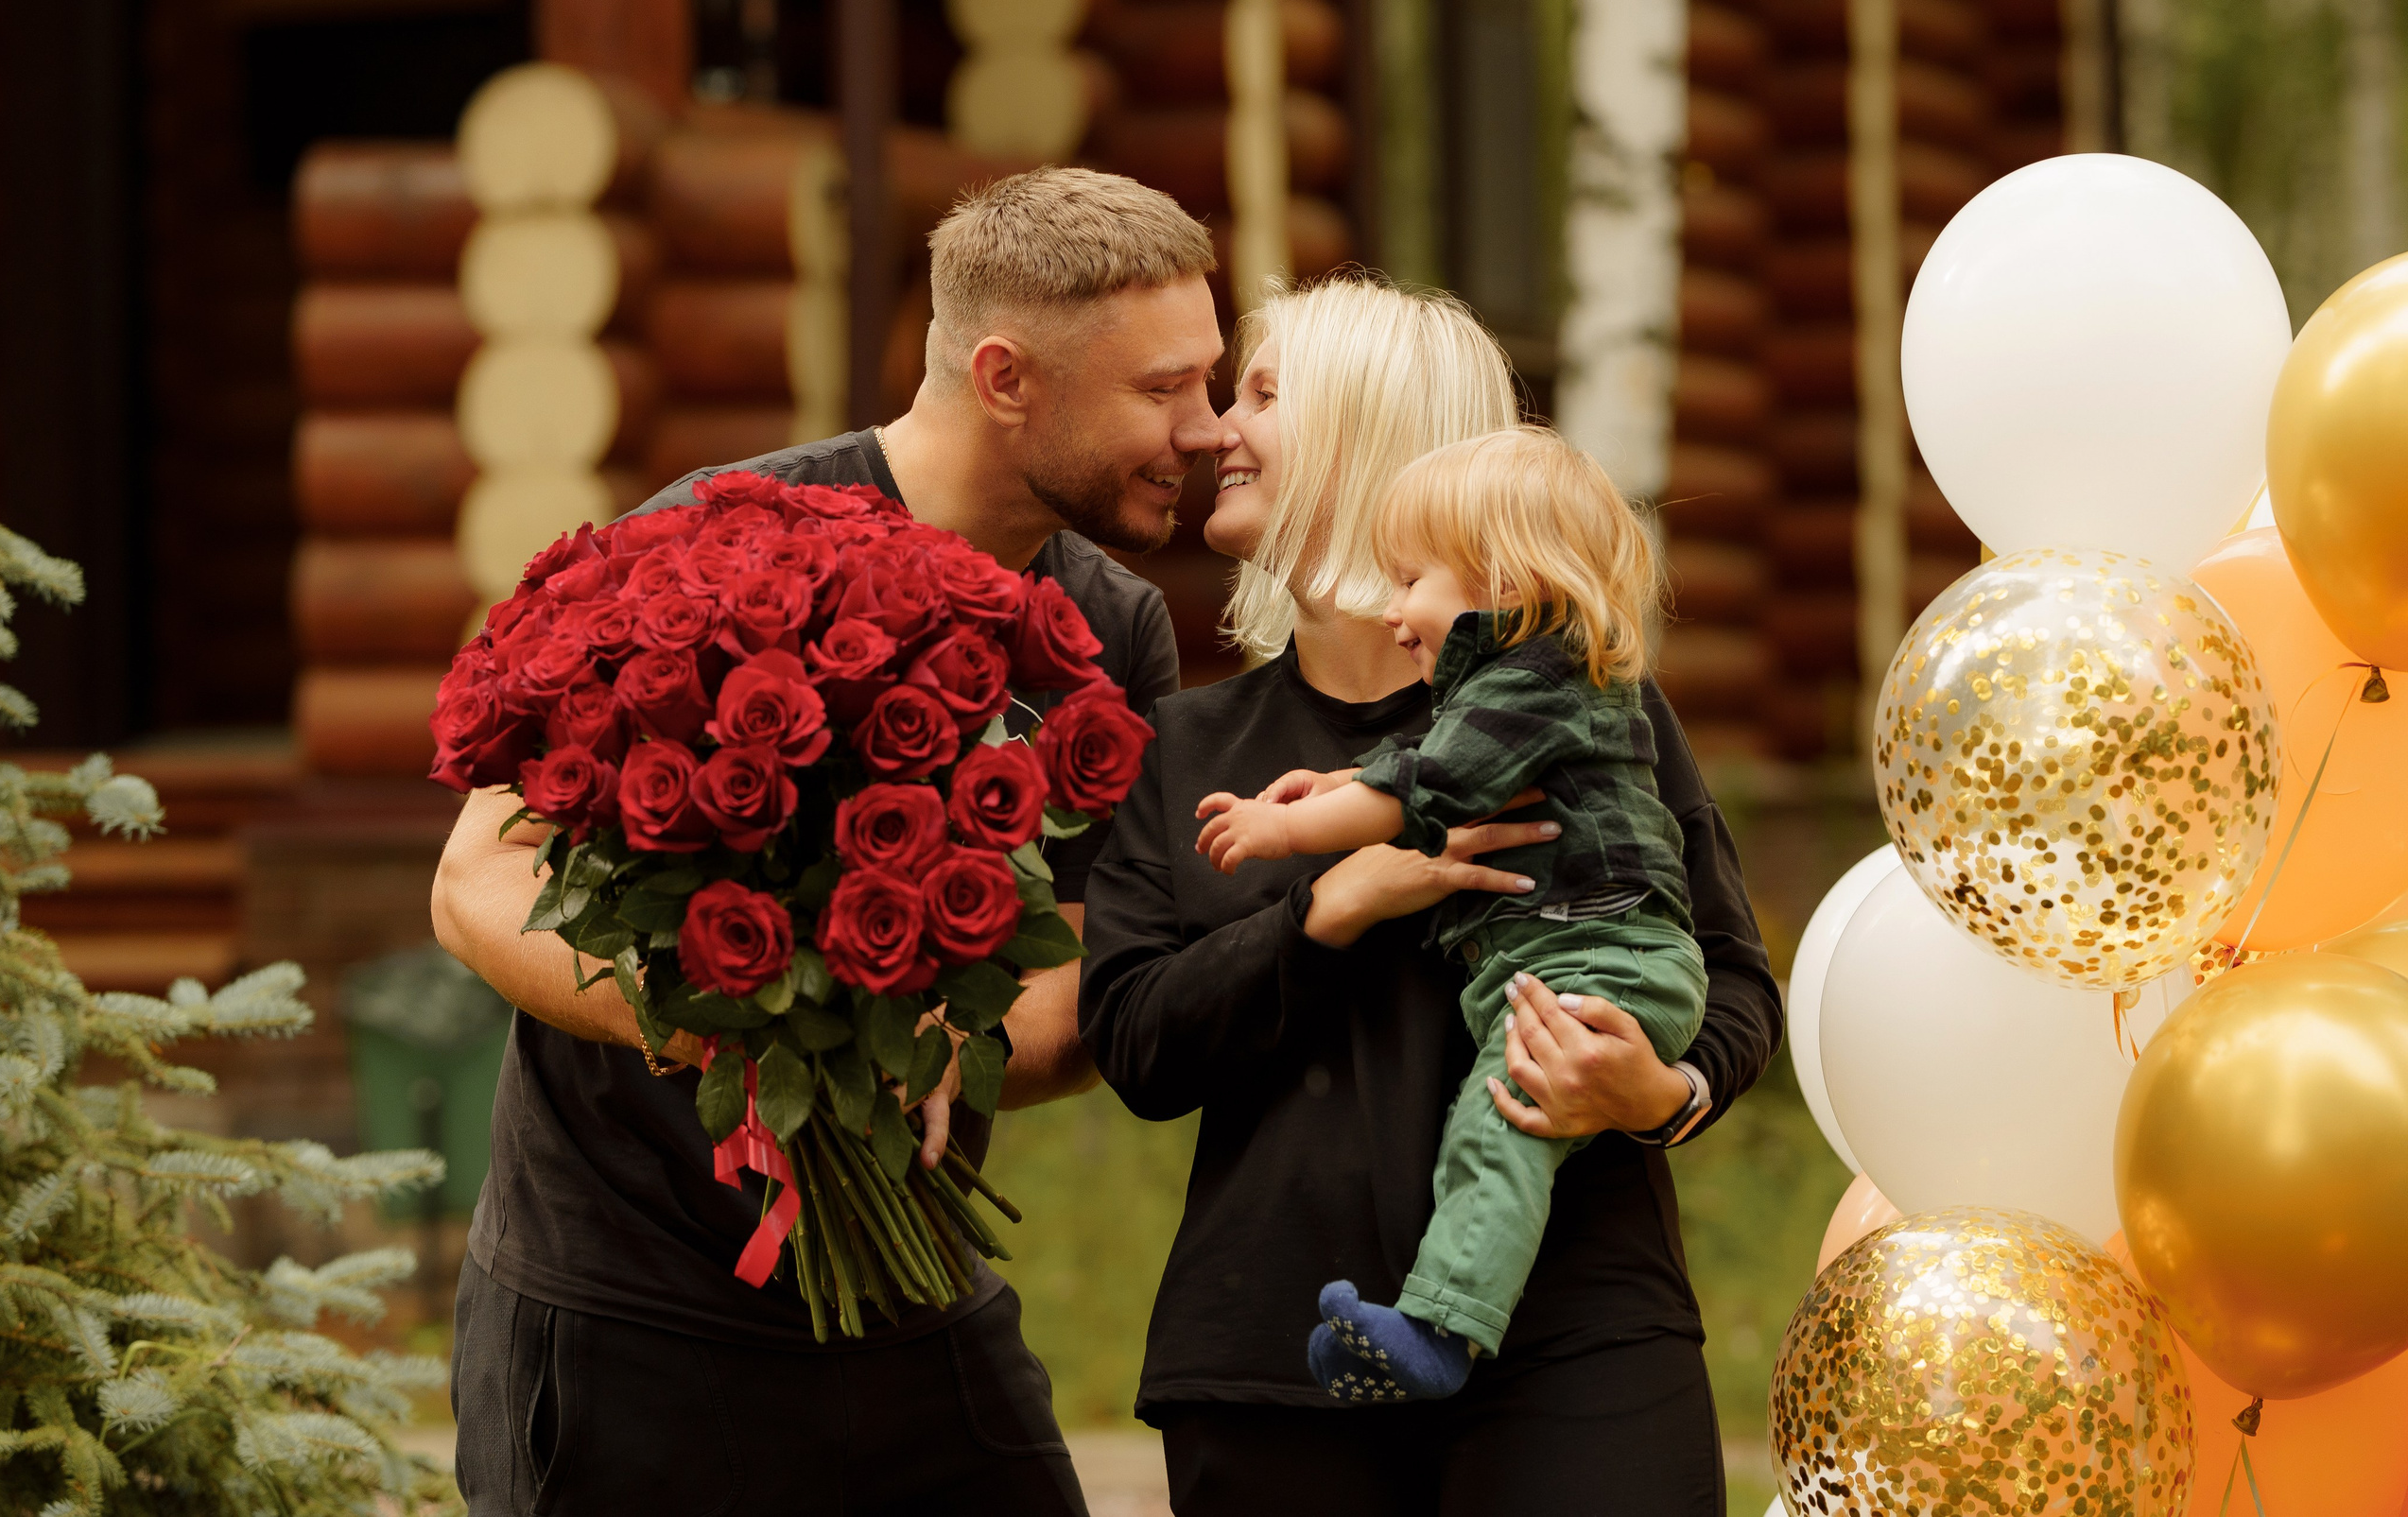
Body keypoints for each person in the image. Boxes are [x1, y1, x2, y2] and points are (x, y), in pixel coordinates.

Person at [431, 166, 1223, 1517]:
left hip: (908, 1296)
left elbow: (1079, 973)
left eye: (1211, 379)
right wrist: (721, 1025)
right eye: (1163, 390)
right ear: (1005, 376)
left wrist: (923, 1046)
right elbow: (475, 883)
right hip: (624, 1302)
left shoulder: (1117, 625)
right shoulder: (714, 537)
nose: (1204, 429)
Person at [1078, 276, 1782, 1516]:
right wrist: (1327, 909)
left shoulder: (1589, 699)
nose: (1210, 431)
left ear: (1365, 426)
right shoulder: (1187, 747)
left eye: (1261, 394)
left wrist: (1661, 1092)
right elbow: (1135, 1041)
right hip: (1276, 1362)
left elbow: (1728, 977)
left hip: (1581, 1347)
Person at [1192, 427, 1709, 1402]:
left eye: (1410, 580)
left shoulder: (1539, 681)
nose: (1394, 614)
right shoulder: (1524, 688)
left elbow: (1424, 787)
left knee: (1498, 1123)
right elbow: (1426, 761)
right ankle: (1443, 1316)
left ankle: (1443, 1331)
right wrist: (1332, 785)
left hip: (1602, 954)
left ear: (1504, 583)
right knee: (1504, 1118)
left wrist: (1281, 828)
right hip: (1590, 948)